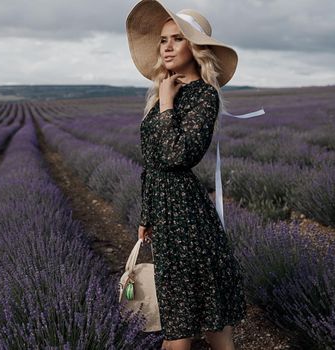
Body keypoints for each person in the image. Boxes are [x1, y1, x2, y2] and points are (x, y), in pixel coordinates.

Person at [126, 1, 251, 349]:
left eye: (177, 39)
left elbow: (179, 155)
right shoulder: (164, 92)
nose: (166, 46)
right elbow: (153, 163)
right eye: (163, 39)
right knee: (196, 318)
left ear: (195, 49)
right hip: (164, 215)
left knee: (189, 326)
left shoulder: (203, 97)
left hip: (186, 218)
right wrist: (147, 214)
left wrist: (166, 103)